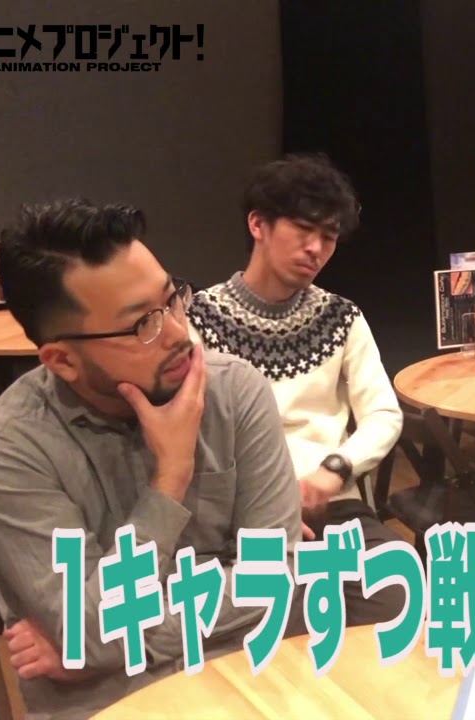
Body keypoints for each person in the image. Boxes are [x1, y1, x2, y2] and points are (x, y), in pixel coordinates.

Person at [0, 199, 306, 719]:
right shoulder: (5, 454)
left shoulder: (235, 392)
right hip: (110, 703)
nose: (178, 333)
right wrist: (170, 478)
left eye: (172, 300)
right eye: (142, 325)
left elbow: (274, 576)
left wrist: (110, 648)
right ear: (63, 360)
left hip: (249, 678)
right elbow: (89, 633)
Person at [187, 153, 406, 626]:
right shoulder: (199, 319)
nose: (316, 249)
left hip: (329, 501)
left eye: (329, 237)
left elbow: (383, 414)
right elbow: (190, 431)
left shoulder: (341, 317)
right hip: (242, 513)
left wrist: (334, 470)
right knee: (263, 611)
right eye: (304, 229)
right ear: (258, 225)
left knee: (396, 591)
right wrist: (268, 506)